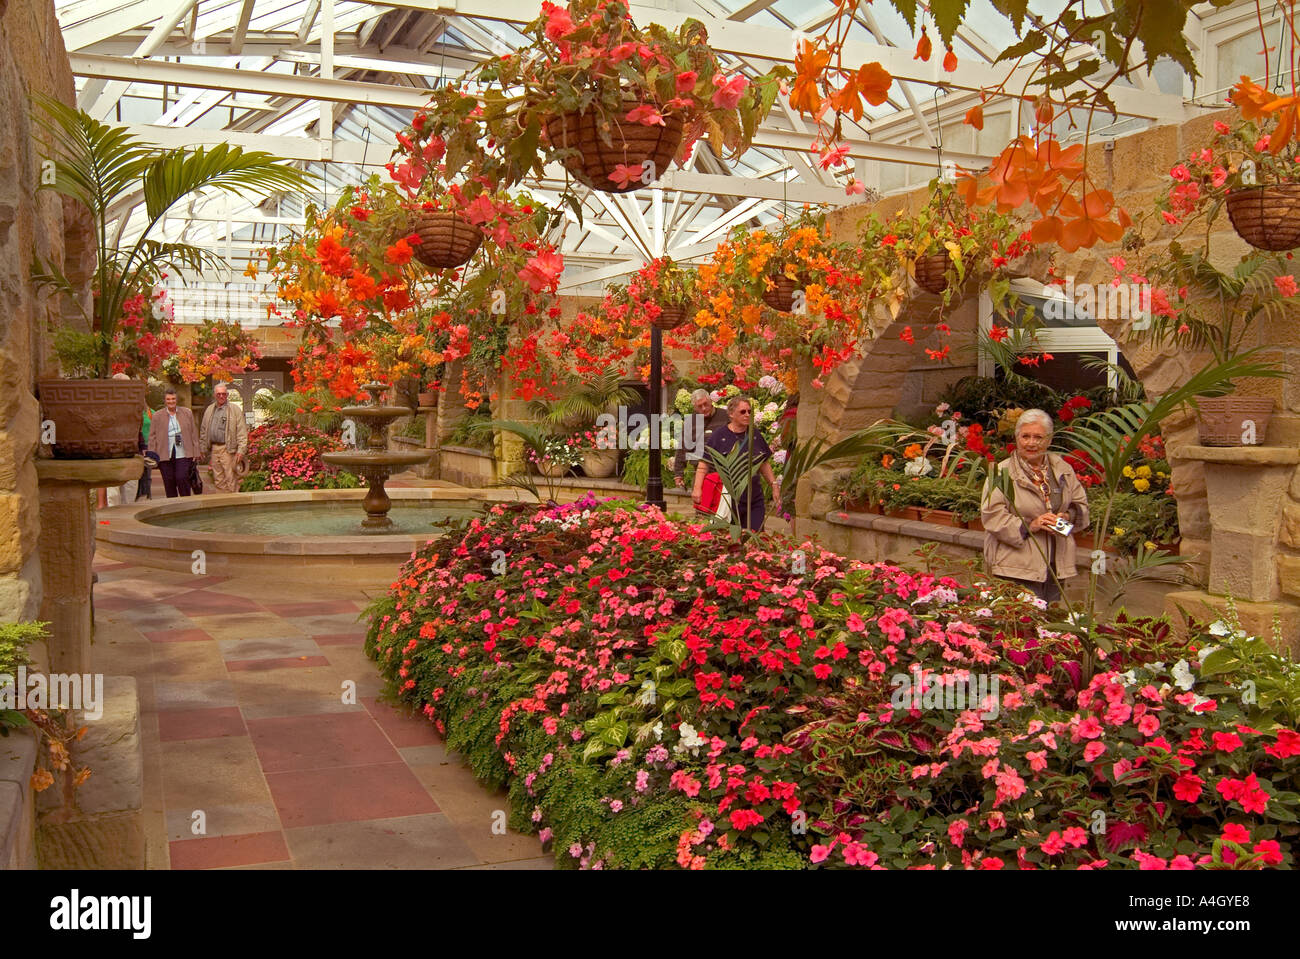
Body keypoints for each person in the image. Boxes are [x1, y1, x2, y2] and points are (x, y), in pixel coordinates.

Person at [980, 408, 1089, 604]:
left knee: (1052, 624)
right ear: (1017, 438)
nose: (1031, 443)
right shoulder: (1001, 472)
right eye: (1026, 436)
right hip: (1016, 566)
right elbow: (991, 515)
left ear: (1049, 440)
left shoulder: (1062, 469)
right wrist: (1033, 525)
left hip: (1057, 564)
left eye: (1038, 437)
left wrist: (1066, 518)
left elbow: (1081, 505)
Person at [692, 395, 781, 532]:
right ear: (731, 414)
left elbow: (764, 463)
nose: (747, 415)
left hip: (754, 496)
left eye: (749, 412)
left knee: (755, 534)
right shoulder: (719, 436)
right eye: (743, 412)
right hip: (729, 497)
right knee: (731, 536)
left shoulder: (755, 435)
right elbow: (703, 465)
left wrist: (774, 485)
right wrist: (697, 489)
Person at [672, 389, 729, 491]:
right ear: (694, 407)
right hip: (700, 474)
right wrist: (678, 475)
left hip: (725, 472)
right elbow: (682, 449)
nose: (704, 408)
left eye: (705, 404)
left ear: (711, 401)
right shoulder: (690, 422)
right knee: (701, 505)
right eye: (699, 406)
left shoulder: (726, 416)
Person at [148, 387, 200, 498]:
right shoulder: (157, 416)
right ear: (165, 401)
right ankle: (172, 506)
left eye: (173, 399)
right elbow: (152, 436)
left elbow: (193, 433)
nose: (171, 401)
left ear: (176, 400)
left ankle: (186, 504)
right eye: (168, 399)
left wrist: (196, 452)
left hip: (184, 452)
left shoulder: (187, 413)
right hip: (164, 453)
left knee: (182, 477)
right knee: (169, 481)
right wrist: (152, 453)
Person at [200, 381, 249, 493]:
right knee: (218, 480)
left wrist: (241, 450)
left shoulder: (235, 409)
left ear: (227, 395)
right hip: (214, 448)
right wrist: (203, 448)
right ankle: (221, 504)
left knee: (231, 478)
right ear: (214, 395)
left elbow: (242, 431)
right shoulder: (209, 409)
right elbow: (203, 430)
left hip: (228, 449)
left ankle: (234, 506)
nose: (221, 396)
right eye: (218, 394)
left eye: (223, 394)